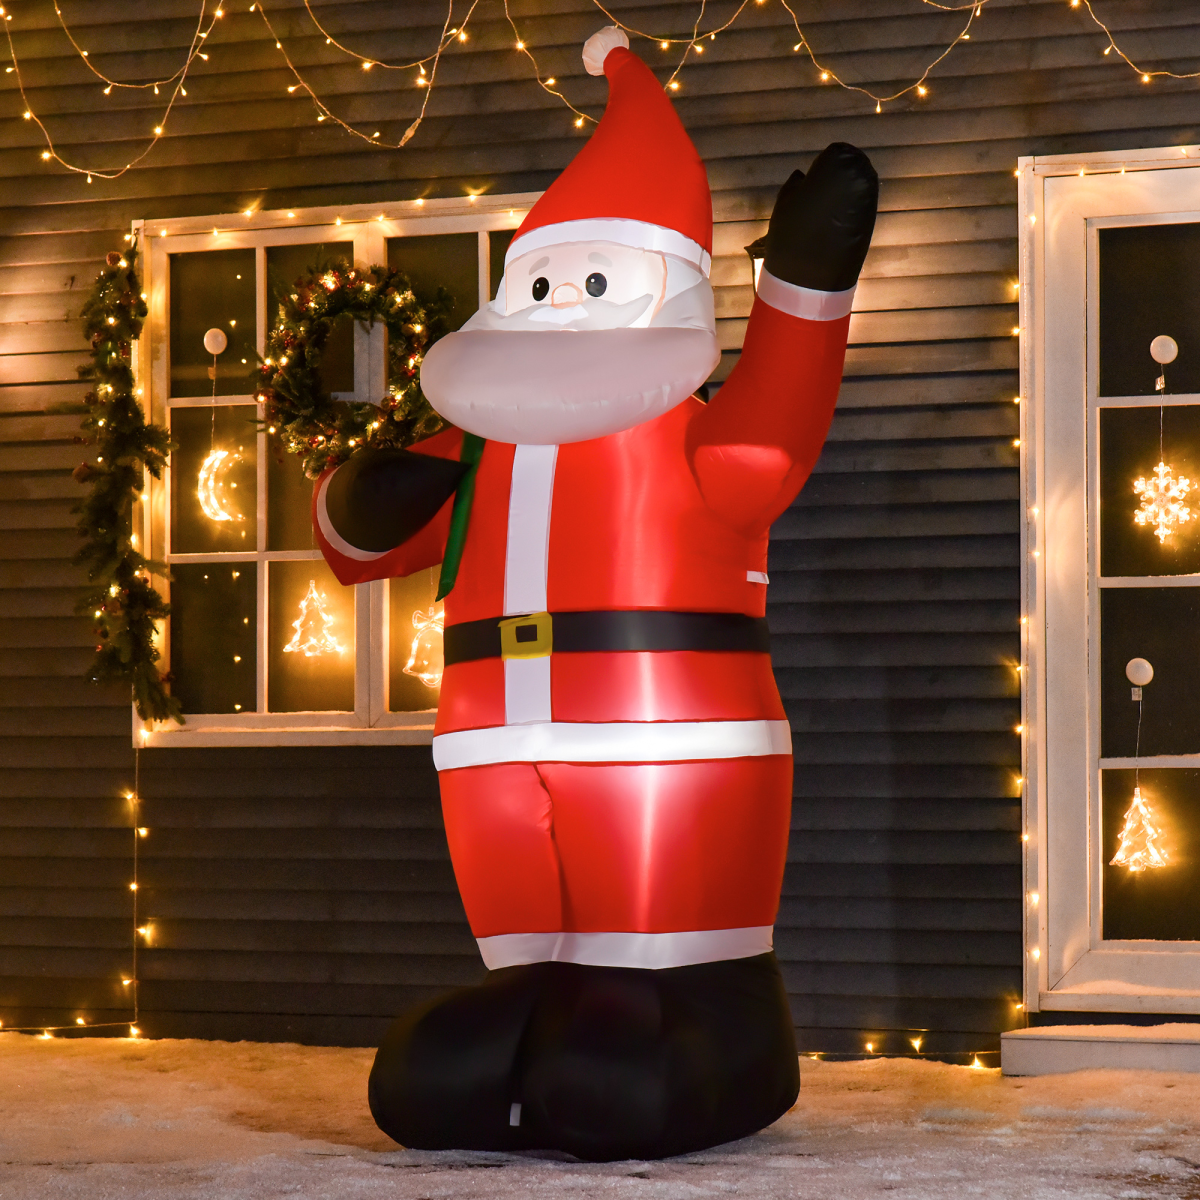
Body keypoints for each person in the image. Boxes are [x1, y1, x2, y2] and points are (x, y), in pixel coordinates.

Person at [314, 25, 878, 1160]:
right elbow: (355, 547)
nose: (562, 301)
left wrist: (803, 288)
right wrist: (358, 500)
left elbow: (773, 438)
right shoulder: (478, 444)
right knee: (533, 953)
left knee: (648, 959)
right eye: (541, 281)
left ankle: (699, 1037)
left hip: (665, 735)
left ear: (663, 295)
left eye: (596, 278)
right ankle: (527, 1028)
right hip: (487, 742)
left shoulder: (690, 434)